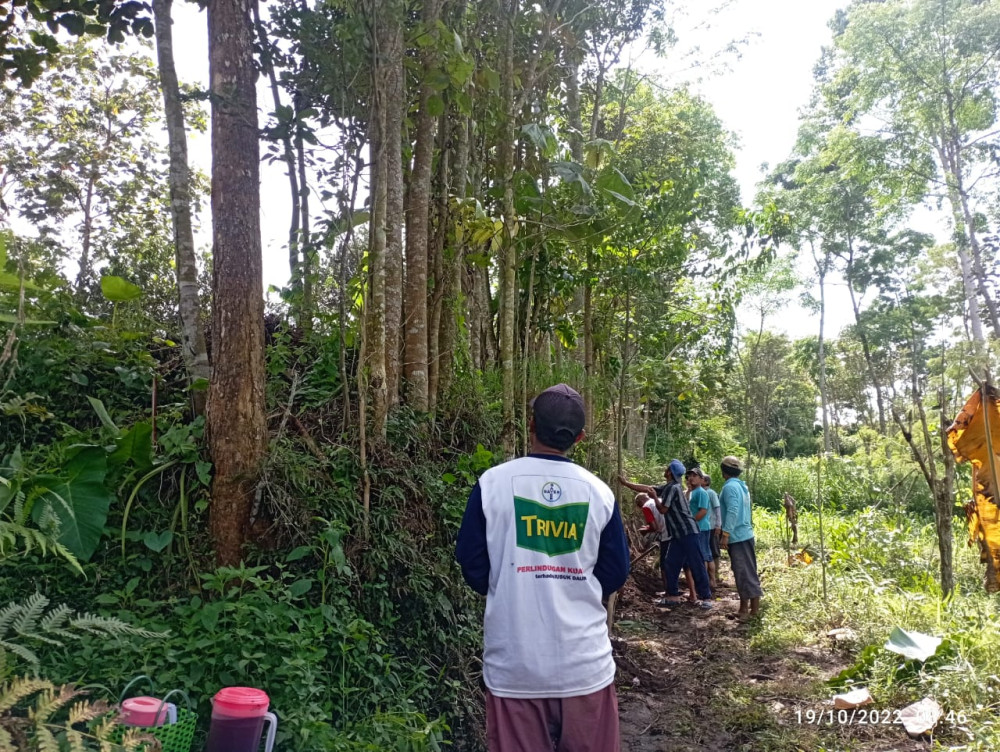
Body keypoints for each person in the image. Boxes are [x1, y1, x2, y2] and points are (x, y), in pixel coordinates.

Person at [456, 384, 630, 752]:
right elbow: (615, 571)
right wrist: (574, 590)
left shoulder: (492, 484)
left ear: (530, 425)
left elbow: (471, 562)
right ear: (579, 437)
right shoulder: (599, 493)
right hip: (585, 667)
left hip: (514, 667)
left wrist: (512, 587)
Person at [619, 460, 713, 609]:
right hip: (677, 534)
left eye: (667, 468)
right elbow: (647, 488)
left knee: (696, 563)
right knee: (670, 563)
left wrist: (655, 498)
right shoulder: (669, 486)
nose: (665, 469)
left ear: (670, 472)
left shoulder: (673, 488)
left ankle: (706, 597)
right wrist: (625, 483)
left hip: (688, 531)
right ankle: (673, 595)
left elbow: (663, 509)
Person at [718, 455, 763, 620]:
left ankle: (754, 611)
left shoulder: (730, 487)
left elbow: (732, 510)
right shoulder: (741, 486)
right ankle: (744, 609)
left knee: (744, 571)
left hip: (738, 535)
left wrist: (725, 534)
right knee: (741, 570)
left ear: (724, 471)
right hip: (744, 533)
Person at [686, 468, 715, 592]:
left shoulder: (702, 492)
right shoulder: (693, 492)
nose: (691, 478)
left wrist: (692, 521)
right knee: (704, 554)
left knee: (703, 555)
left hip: (701, 527)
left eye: (695, 475)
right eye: (690, 476)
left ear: (701, 479)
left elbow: (703, 510)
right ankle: (708, 582)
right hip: (698, 527)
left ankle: (705, 583)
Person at [704, 473, 722, 588]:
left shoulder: (711, 493)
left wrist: (718, 525)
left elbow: (717, 509)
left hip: (712, 526)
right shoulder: (698, 492)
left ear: (705, 481)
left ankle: (715, 575)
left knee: (714, 551)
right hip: (704, 527)